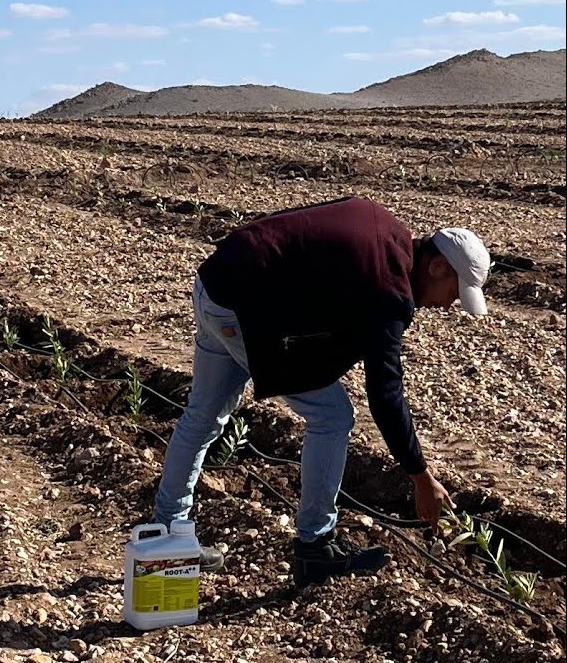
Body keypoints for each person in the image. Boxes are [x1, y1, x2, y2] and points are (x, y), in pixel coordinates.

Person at [150, 196, 490, 589]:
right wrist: (420, 475)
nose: (448, 305)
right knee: (332, 416)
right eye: (454, 292)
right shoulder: (390, 288)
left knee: (203, 416)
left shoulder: (381, 225)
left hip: (216, 280)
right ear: (437, 266)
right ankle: (315, 546)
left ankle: (167, 534)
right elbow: (385, 393)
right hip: (240, 306)